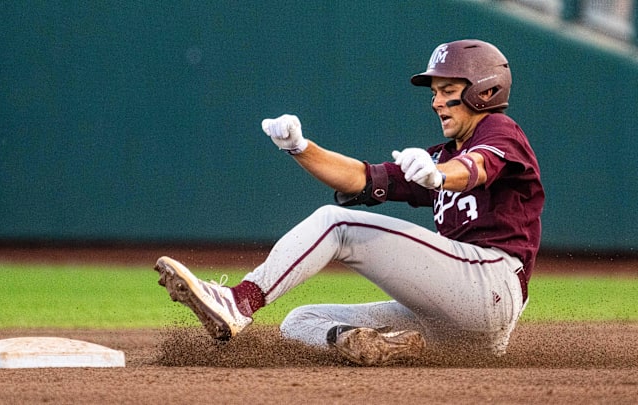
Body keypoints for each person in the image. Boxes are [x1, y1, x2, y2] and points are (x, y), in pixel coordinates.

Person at [155, 39, 544, 366]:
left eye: (447, 91)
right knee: (301, 320)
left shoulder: (499, 130)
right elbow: (365, 178)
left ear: (485, 92)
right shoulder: (439, 157)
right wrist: (301, 148)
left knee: (336, 224)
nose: (436, 102)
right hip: (456, 326)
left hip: (489, 284)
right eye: (434, 93)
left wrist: (440, 174)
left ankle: (239, 301)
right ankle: (373, 344)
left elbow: (477, 167)